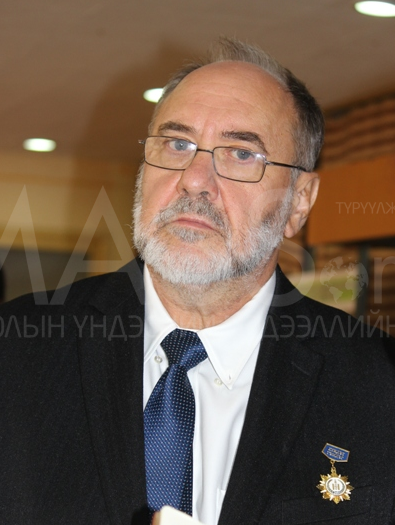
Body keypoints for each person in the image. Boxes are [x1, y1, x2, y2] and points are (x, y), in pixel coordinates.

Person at [1, 37, 394, 525]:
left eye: (240, 154)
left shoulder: (378, 386)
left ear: (299, 202)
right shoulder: (16, 353)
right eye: (177, 143)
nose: (194, 178)